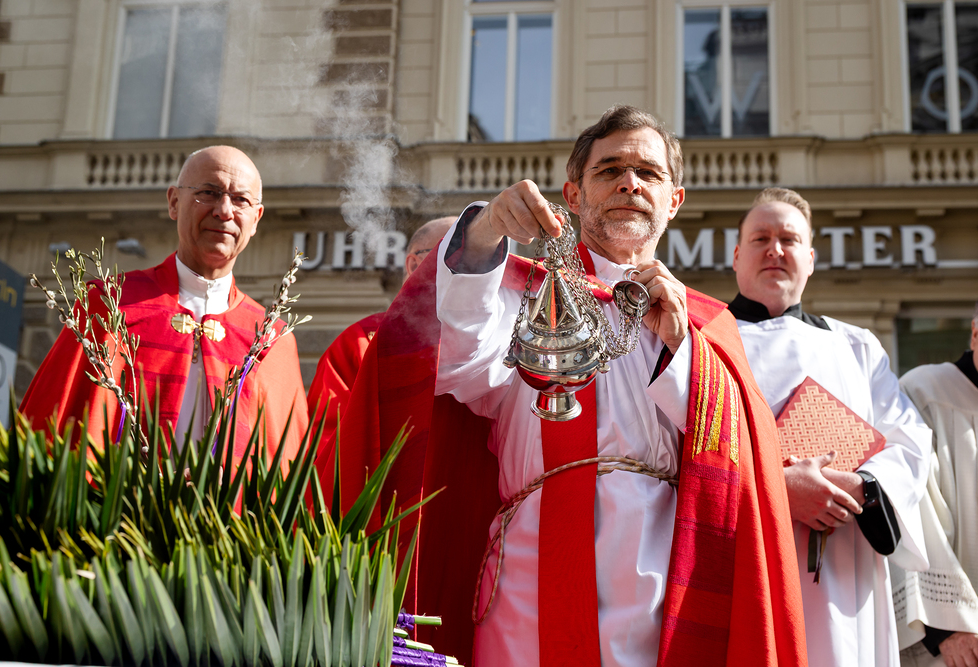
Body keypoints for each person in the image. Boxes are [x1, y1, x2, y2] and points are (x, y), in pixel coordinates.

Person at [327, 106, 806, 667]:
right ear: (573, 195)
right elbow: (455, 359)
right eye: (610, 170)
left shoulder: (705, 326)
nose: (630, 183)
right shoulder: (521, 296)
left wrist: (682, 347)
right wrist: (483, 232)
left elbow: (739, 462)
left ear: (674, 200)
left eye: (649, 173)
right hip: (531, 579)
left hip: (661, 581)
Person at [728, 187, 931, 667]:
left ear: (811, 259)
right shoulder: (704, 341)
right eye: (760, 238)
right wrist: (778, 490)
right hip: (739, 551)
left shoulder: (855, 346)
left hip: (842, 564)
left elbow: (908, 439)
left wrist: (860, 488)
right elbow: (675, 451)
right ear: (736, 256)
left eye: (789, 239)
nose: (775, 250)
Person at [22, 146, 308, 468]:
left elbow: (283, 470)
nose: (224, 210)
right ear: (174, 202)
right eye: (208, 193)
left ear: (256, 219)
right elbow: (52, 434)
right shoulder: (110, 304)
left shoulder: (273, 340)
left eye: (240, 199)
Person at [891, 280, 978, 667]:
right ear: (975, 331)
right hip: (955, 644)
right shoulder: (924, 392)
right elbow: (910, 511)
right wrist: (947, 625)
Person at [306, 215, 456, 440]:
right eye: (456, 257)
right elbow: (328, 444)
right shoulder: (362, 343)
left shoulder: (494, 343)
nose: (473, 273)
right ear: (415, 265)